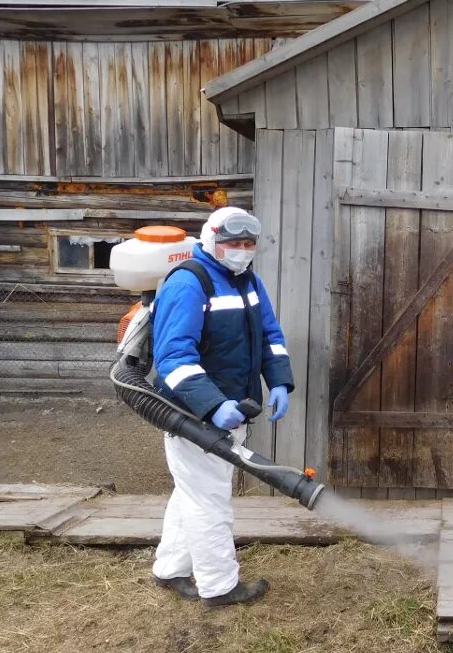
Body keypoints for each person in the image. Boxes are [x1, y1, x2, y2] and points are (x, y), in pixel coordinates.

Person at [149, 206, 293, 609]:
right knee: (209, 500)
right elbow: (174, 359)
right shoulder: (189, 284)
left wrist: (279, 379)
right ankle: (219, 586)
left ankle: (170, 569)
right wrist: (213, 406)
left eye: (249, 244)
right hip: (193, 417)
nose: (242, 251)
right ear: (212, 241)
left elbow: (269, 334)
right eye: (233, 243)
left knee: (192, 492)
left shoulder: (247, 281)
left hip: (230, 411)